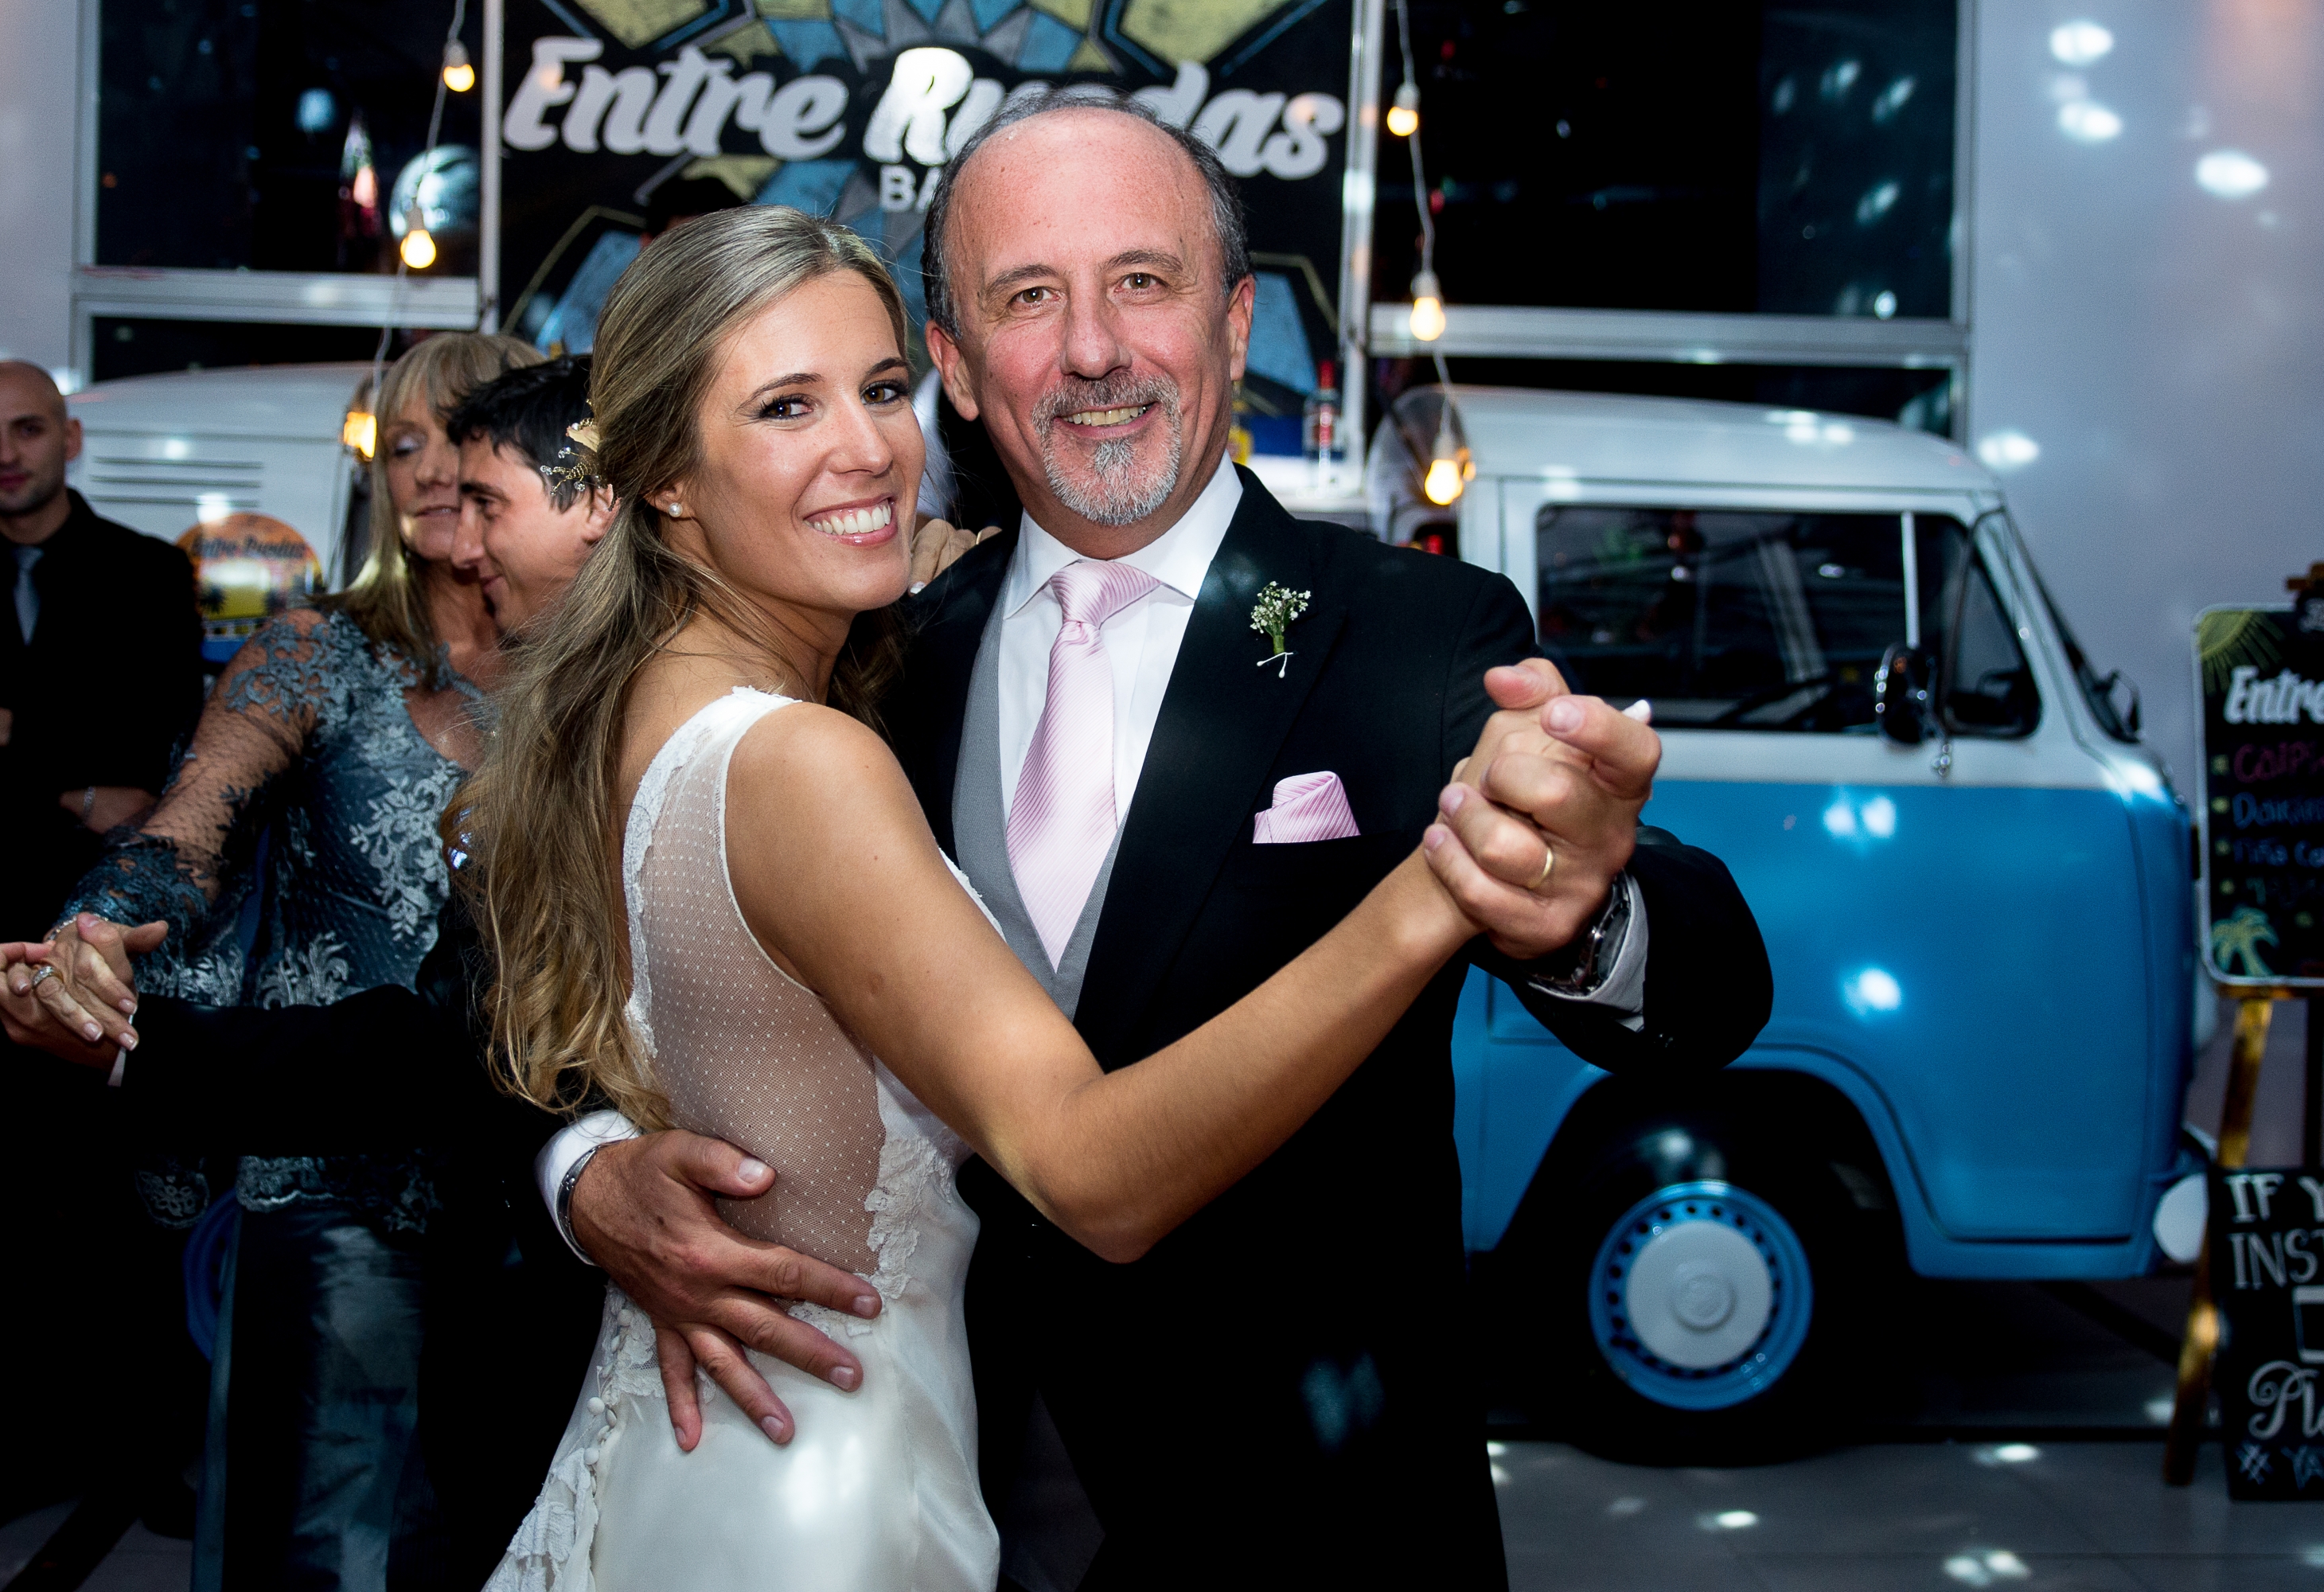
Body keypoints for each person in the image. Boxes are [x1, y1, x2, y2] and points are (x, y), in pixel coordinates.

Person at [555, 97, 1770, 1590]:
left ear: (1237, 316)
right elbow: (553, 954)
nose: (1091, 350)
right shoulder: (879, 654)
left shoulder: (1408, 635)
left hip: (1314, 1516)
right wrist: (586, 1167)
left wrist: (1580, 902)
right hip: (945, 1493)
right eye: (1026, 298)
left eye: (1142, 281)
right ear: (954, 365)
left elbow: (1708, 984)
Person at [0, 353, 994, 1586]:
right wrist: (99, 954)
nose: (453, 534)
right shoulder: (396, 692)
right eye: (414, 472)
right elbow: (230, 857)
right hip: (408, 1215)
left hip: (684, 1262)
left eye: (481, 496)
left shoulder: (782, 682)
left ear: (603, 501)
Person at [23, 331, 542, 1588]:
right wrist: (90, 930)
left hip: (525, 1188)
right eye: (400, 442)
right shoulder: (317, 651)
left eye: (464, 446)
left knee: (491, 1538)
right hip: (329, 1179)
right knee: (322, 1540)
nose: (430, 475)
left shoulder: (584, 673)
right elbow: (183, 832)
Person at [0, 357, 201, 1542]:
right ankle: (14, 1459)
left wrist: (1, 732)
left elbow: (155, 764)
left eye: (27, 429)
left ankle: (143, 1459)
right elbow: (98, 772)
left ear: (69, 438)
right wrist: (77, 775)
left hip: (103, 944)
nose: (5, 453)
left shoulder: (146, 575)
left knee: (119, 1218)